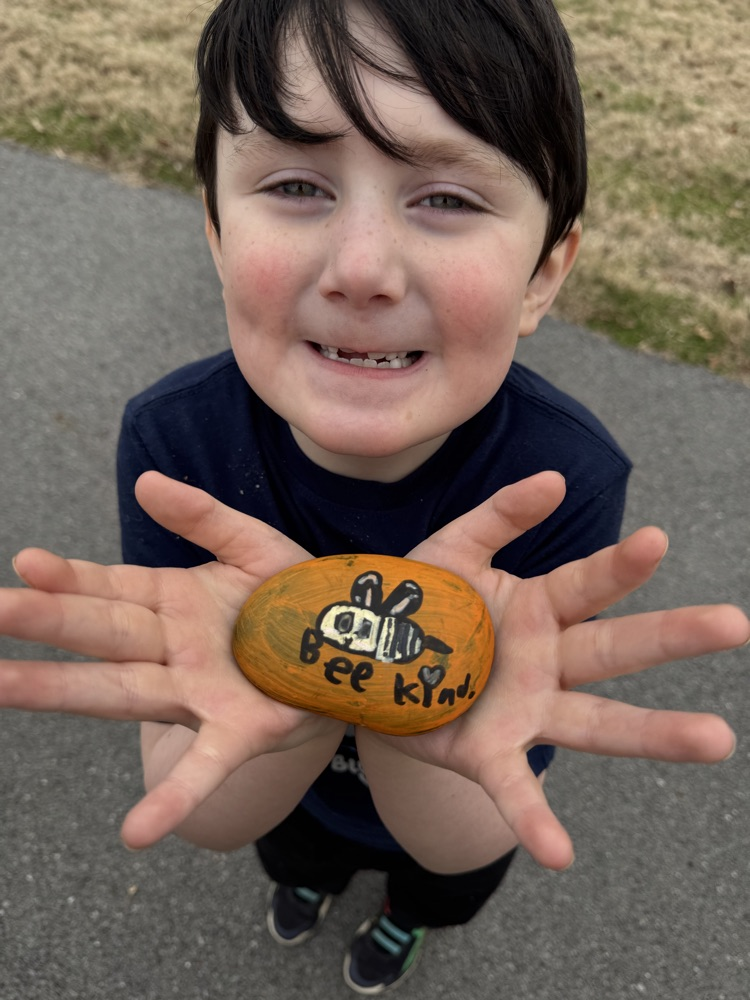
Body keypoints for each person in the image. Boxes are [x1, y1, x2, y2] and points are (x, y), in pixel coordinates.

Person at [0, 0, 747, 994]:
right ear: (217, 233)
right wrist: (301, 705)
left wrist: (406, 716)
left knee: (432, 884)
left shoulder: (558, 482)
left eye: (445, 198)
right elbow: (207, 806)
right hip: (289, 799)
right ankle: (312, 883)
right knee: (296, 856)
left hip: (443, 818)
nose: (361, 270)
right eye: (296, 185)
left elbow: (471, 824)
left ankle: (401, 923)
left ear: (542, 274)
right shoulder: (174, 451)